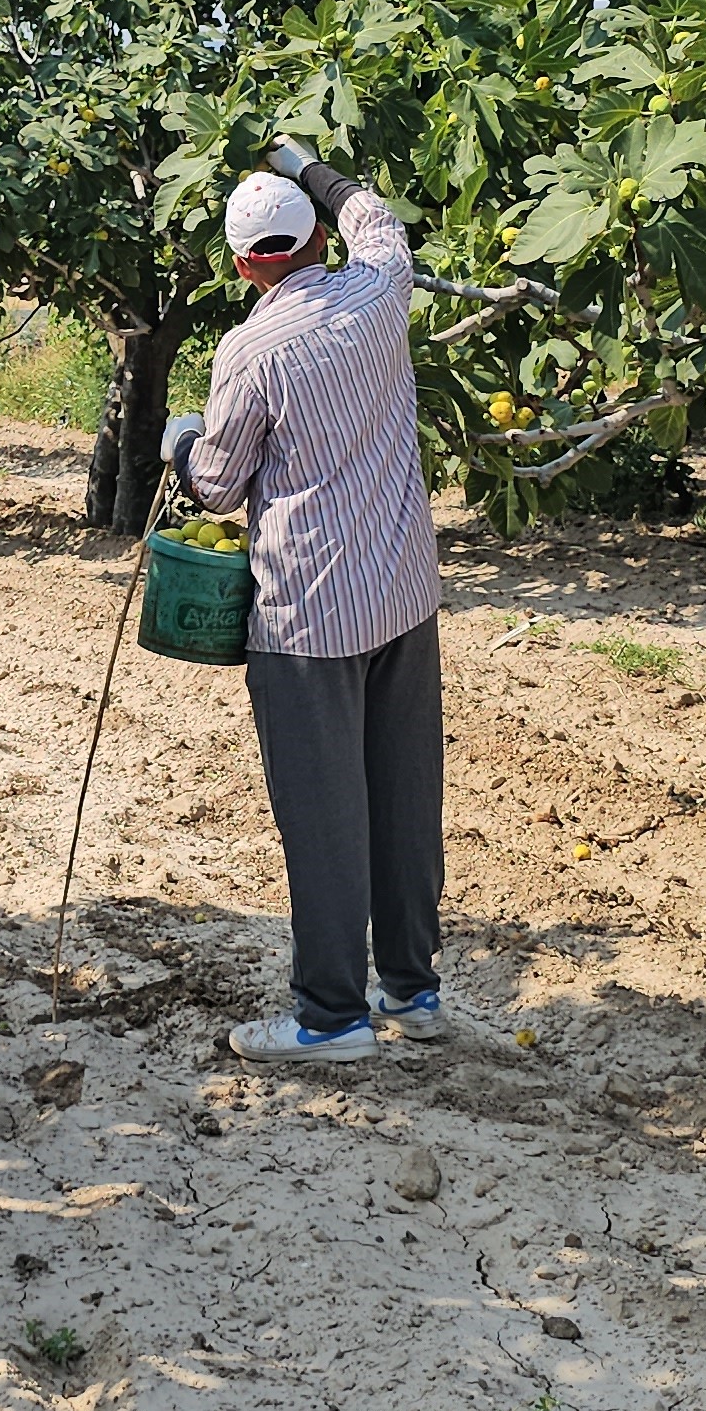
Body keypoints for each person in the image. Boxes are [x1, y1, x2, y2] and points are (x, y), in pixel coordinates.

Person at [162, 136, 447, 1066]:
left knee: (324, 817)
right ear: (319, 236)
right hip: (401, 594)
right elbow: (377, 217)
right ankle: (412, 989)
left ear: (245, 264)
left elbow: (215, 485)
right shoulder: (381, 287)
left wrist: (179, 441)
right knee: (405, 796)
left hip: (308, 618)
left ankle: (331, 1017)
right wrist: (302, 163)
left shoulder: (250, 350)